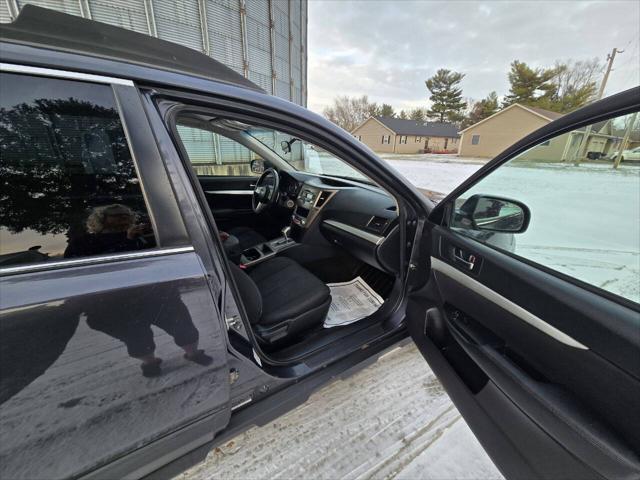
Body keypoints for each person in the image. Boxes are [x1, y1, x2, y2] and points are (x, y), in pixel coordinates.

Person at [66, 204, 212, 377]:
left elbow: (173, 250)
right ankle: (150, 362)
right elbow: (80, 271)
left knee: (182, 325)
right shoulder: (84, 242)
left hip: (157, 295)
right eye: (117, 215)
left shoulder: (147, 235)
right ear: (101, 219)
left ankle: (193, 353)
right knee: (136, 337)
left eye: (127, 214)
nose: (123, 218)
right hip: (113, 303)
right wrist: (126, 243)